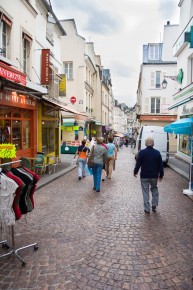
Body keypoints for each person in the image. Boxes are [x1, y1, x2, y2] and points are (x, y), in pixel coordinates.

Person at [133, 137, 164, 214]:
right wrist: (161, 175)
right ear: (153, 143)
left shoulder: (142, 152)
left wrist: (135, 172)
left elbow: (138, 164)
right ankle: (154, 204)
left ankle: (147, 208)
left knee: (145, 191)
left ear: (146, 143)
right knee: (154, 189)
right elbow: (161, 165)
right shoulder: (157, 153)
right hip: (154, 175)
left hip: (144, 175)